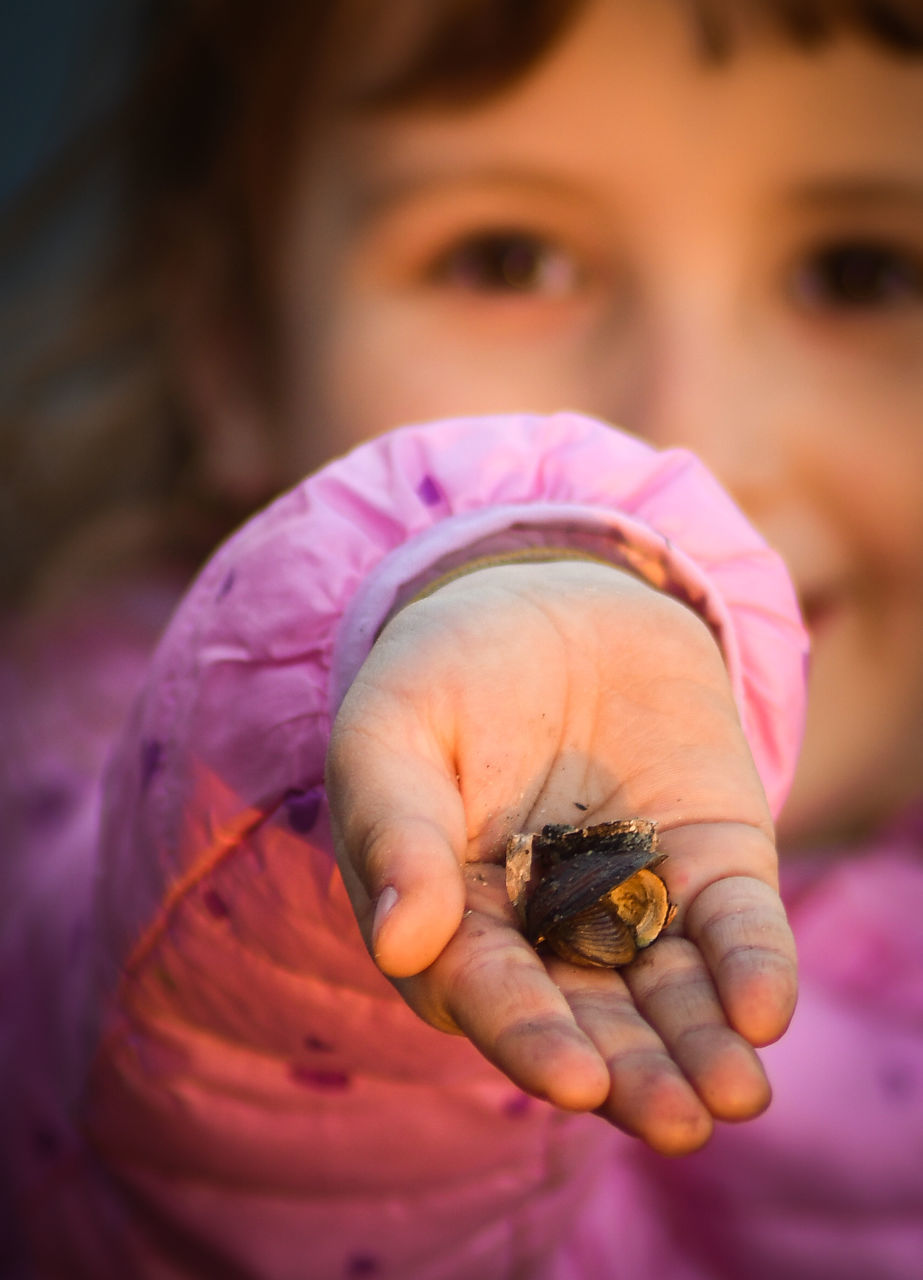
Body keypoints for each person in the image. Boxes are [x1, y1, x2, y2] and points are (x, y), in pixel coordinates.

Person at [1, 0, 921, 1276]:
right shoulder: (110, 782)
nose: (690, 431)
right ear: (232, 348)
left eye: (859, 273)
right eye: (504, 257)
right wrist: (332, 833)